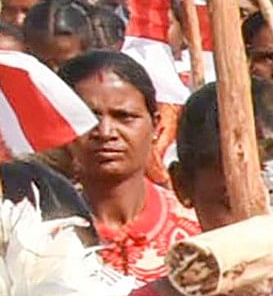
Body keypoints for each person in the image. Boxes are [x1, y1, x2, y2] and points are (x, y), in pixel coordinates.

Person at [53, 50, 186, 283]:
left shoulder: (195, 229)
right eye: (88, 118)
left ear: (156, 126)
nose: (106, 132)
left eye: (123, 116)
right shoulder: (39, 236)